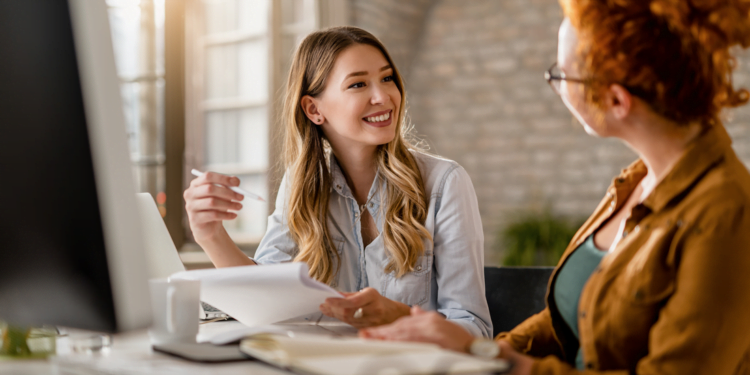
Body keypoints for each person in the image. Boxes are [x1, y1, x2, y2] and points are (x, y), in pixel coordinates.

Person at [360, 0, 750, 373]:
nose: (558, 86)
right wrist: (480, 352)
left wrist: (491, 359)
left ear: (616, 101)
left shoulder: (725, 214)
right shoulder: (635, 182)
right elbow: (567, 317)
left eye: (561, 75)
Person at [183, 26, 492, 337]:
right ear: (314, 109)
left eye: (387, 79)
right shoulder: (301, 186)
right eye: (358, 84)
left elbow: (475, 330)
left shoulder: (444, 183)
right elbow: (263, 301)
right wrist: (211, 236)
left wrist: (396, 316)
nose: (383, 96)